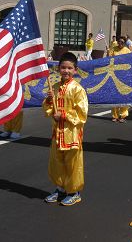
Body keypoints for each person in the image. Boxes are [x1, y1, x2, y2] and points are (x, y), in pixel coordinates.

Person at [43, 52, 88, 206]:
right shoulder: (54, 87)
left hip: (72, 134)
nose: (66, 71)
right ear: (58, 69)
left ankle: (74, 192)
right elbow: (48, 109)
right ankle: (60, 188)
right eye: (63, 67)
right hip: (57, 133)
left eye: (69, 68)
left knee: (72, 163)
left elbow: (82, 113)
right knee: (57, 162)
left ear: (75, 70)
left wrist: (63, 115)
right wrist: (49, 101)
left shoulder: (77, 89)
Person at [108, 38, 132, 122]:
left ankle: (123, 115)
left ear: (124, 43)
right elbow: (108, 60)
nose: (120, 43)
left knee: (123, 95)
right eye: (119, 41)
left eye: (122, 42)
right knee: (114, 95)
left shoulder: (127, 51)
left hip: (124, 75)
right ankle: (115, 115)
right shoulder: (113, 49)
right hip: (114, 74)